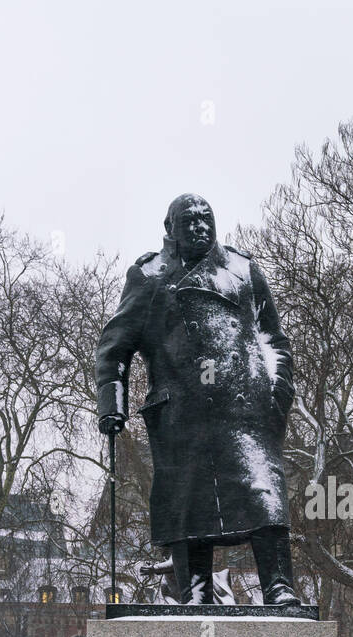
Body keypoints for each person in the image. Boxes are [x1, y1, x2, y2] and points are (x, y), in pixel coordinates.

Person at [94, 193, 299, 605]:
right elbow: (114, 347)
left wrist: (278, 392)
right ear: (170, 228)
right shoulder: (150, 278)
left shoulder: (243, 270)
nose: (200, 227)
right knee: (188, 503)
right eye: (189, 221)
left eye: (207, 219)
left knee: (263, 495)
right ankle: (196, 593)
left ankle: (279, 587)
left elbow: (272, 339)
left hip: (245, 410)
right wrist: (111, 404)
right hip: (182, 415)